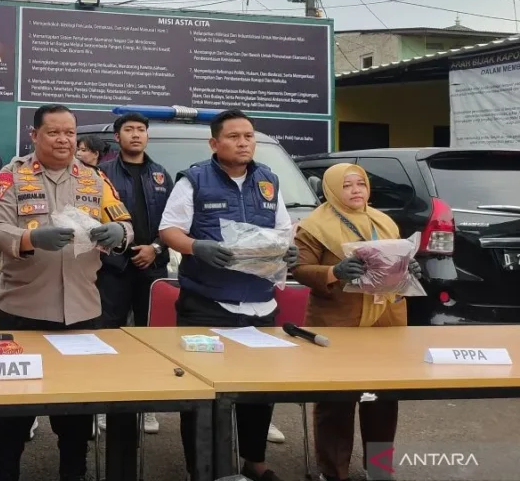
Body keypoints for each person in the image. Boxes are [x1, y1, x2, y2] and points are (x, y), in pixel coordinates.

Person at [0, 104, 134, 481]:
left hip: (82, 311)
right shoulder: (11, 176)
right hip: (24, 310)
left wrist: (119, 233)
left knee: (76, 411)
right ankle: (6, 474)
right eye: (54, 132)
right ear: (34, 135)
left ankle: (74, 472)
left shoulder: (94, 179)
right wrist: (30, 238)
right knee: (15, 409)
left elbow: (124, 222)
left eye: (70, 133)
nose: (63, 140)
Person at [159, 109, 298, 481]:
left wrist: (289, 251)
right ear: (214, 143)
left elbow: (284, 231)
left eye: (248, 136)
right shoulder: (194, 180)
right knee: (203, 392)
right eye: (234, 137)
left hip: (261, 304)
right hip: (208, 304)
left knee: (258, 391)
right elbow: (169, 230)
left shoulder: (269, 180)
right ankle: (201, 468)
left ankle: (254, 461)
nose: (243, 143)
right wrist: (196, 247)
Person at [292, 164, 418, 481]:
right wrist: (333, 272)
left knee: (382, 398)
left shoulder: (384, 221)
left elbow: (396, 262)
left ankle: (379, 468)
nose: (355, 190)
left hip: (385, 322)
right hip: (338, 323)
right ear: (332, 190)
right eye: (346, 185)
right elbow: (300, 269)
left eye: (360, 183)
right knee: (337, 400)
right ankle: (334, 472)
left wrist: (409, 268)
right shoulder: (314, 226)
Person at [97, 112, 172, 435]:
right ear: (118, 137)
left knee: (151, 337)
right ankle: (106, 402)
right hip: (113, 268)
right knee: (109, 336)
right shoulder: (102, 174)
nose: (136, 135)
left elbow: (172, 222)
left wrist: (155, 247)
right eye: (129, 130)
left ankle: (148, 403)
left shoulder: (161, 175)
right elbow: (94, 220)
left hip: (152, 267)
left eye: (141, 130)